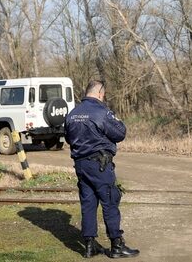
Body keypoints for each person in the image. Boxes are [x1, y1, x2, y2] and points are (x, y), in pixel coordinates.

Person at [65, 80, 140, 259]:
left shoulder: (72, 114)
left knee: (88, 203)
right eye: (103, 95)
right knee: (110, 200)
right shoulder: (101, 112)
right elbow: (120, 133)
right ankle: (116, 245)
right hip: (99, 165)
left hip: (81, 165)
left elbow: (68, 138)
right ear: (100, 93)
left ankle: (89, 246)